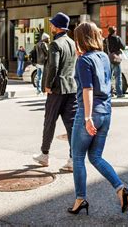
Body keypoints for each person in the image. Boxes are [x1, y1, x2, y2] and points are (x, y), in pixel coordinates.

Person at [67, 22, 128, 216]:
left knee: (78, 157)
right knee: (95, 156)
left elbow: (87, 90)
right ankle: (121, 189)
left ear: (80, 39)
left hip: (89, 112)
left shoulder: (84, 60)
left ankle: (80, 199)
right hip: (106, 112)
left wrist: (87, 117)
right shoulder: (103, 57)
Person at [33, 12, 77, 172]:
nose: (50, 26)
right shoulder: (72, 43)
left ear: (57, 27)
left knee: (49, 122)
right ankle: (73, 159)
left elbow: (53, 66)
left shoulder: (55, 44)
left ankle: (44, 155)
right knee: (71, 125)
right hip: (71, 88)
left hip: (57, 89)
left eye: (52, 24)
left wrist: (47, 85)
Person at [105, 26, 126, 98]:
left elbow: (104, 48)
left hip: (109, 59)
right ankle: (119, 93)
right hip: (116, 59)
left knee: (109, 77)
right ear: (115, 31)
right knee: (118, 77)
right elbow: (123, 47)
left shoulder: (106, 39)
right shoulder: (117, 38)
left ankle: (109, 92)